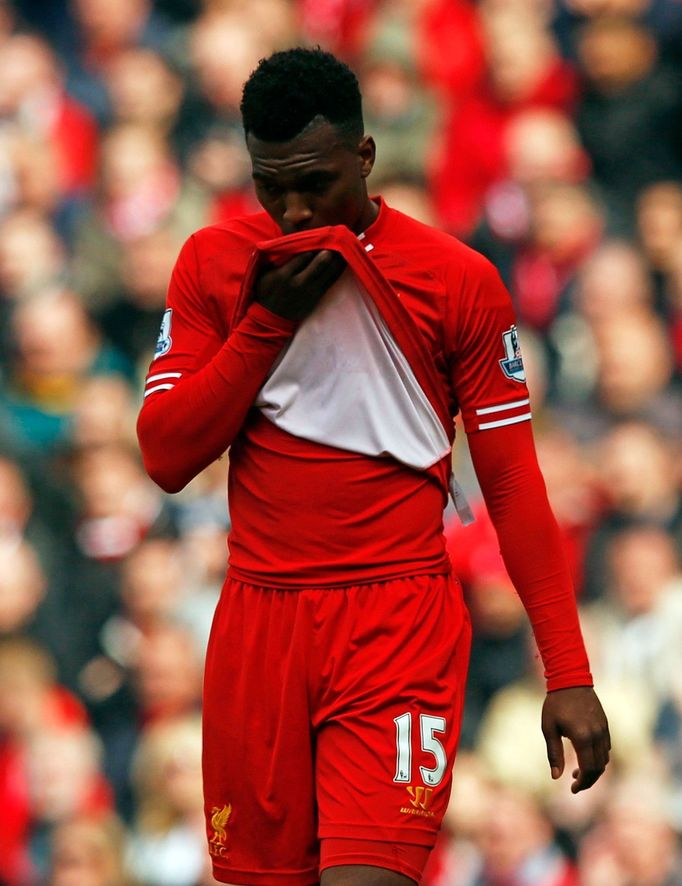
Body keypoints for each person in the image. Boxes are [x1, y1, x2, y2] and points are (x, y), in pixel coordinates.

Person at [137, 48, 610, 886]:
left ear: (364, 157)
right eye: (268, 183)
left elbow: (510, 482)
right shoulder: (213, 264)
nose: (292, 208)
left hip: (396, 624)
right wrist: (265, 326)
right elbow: (166, 455)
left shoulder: (456, 281)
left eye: (314, 182)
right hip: (261, 625)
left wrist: (566, 672)